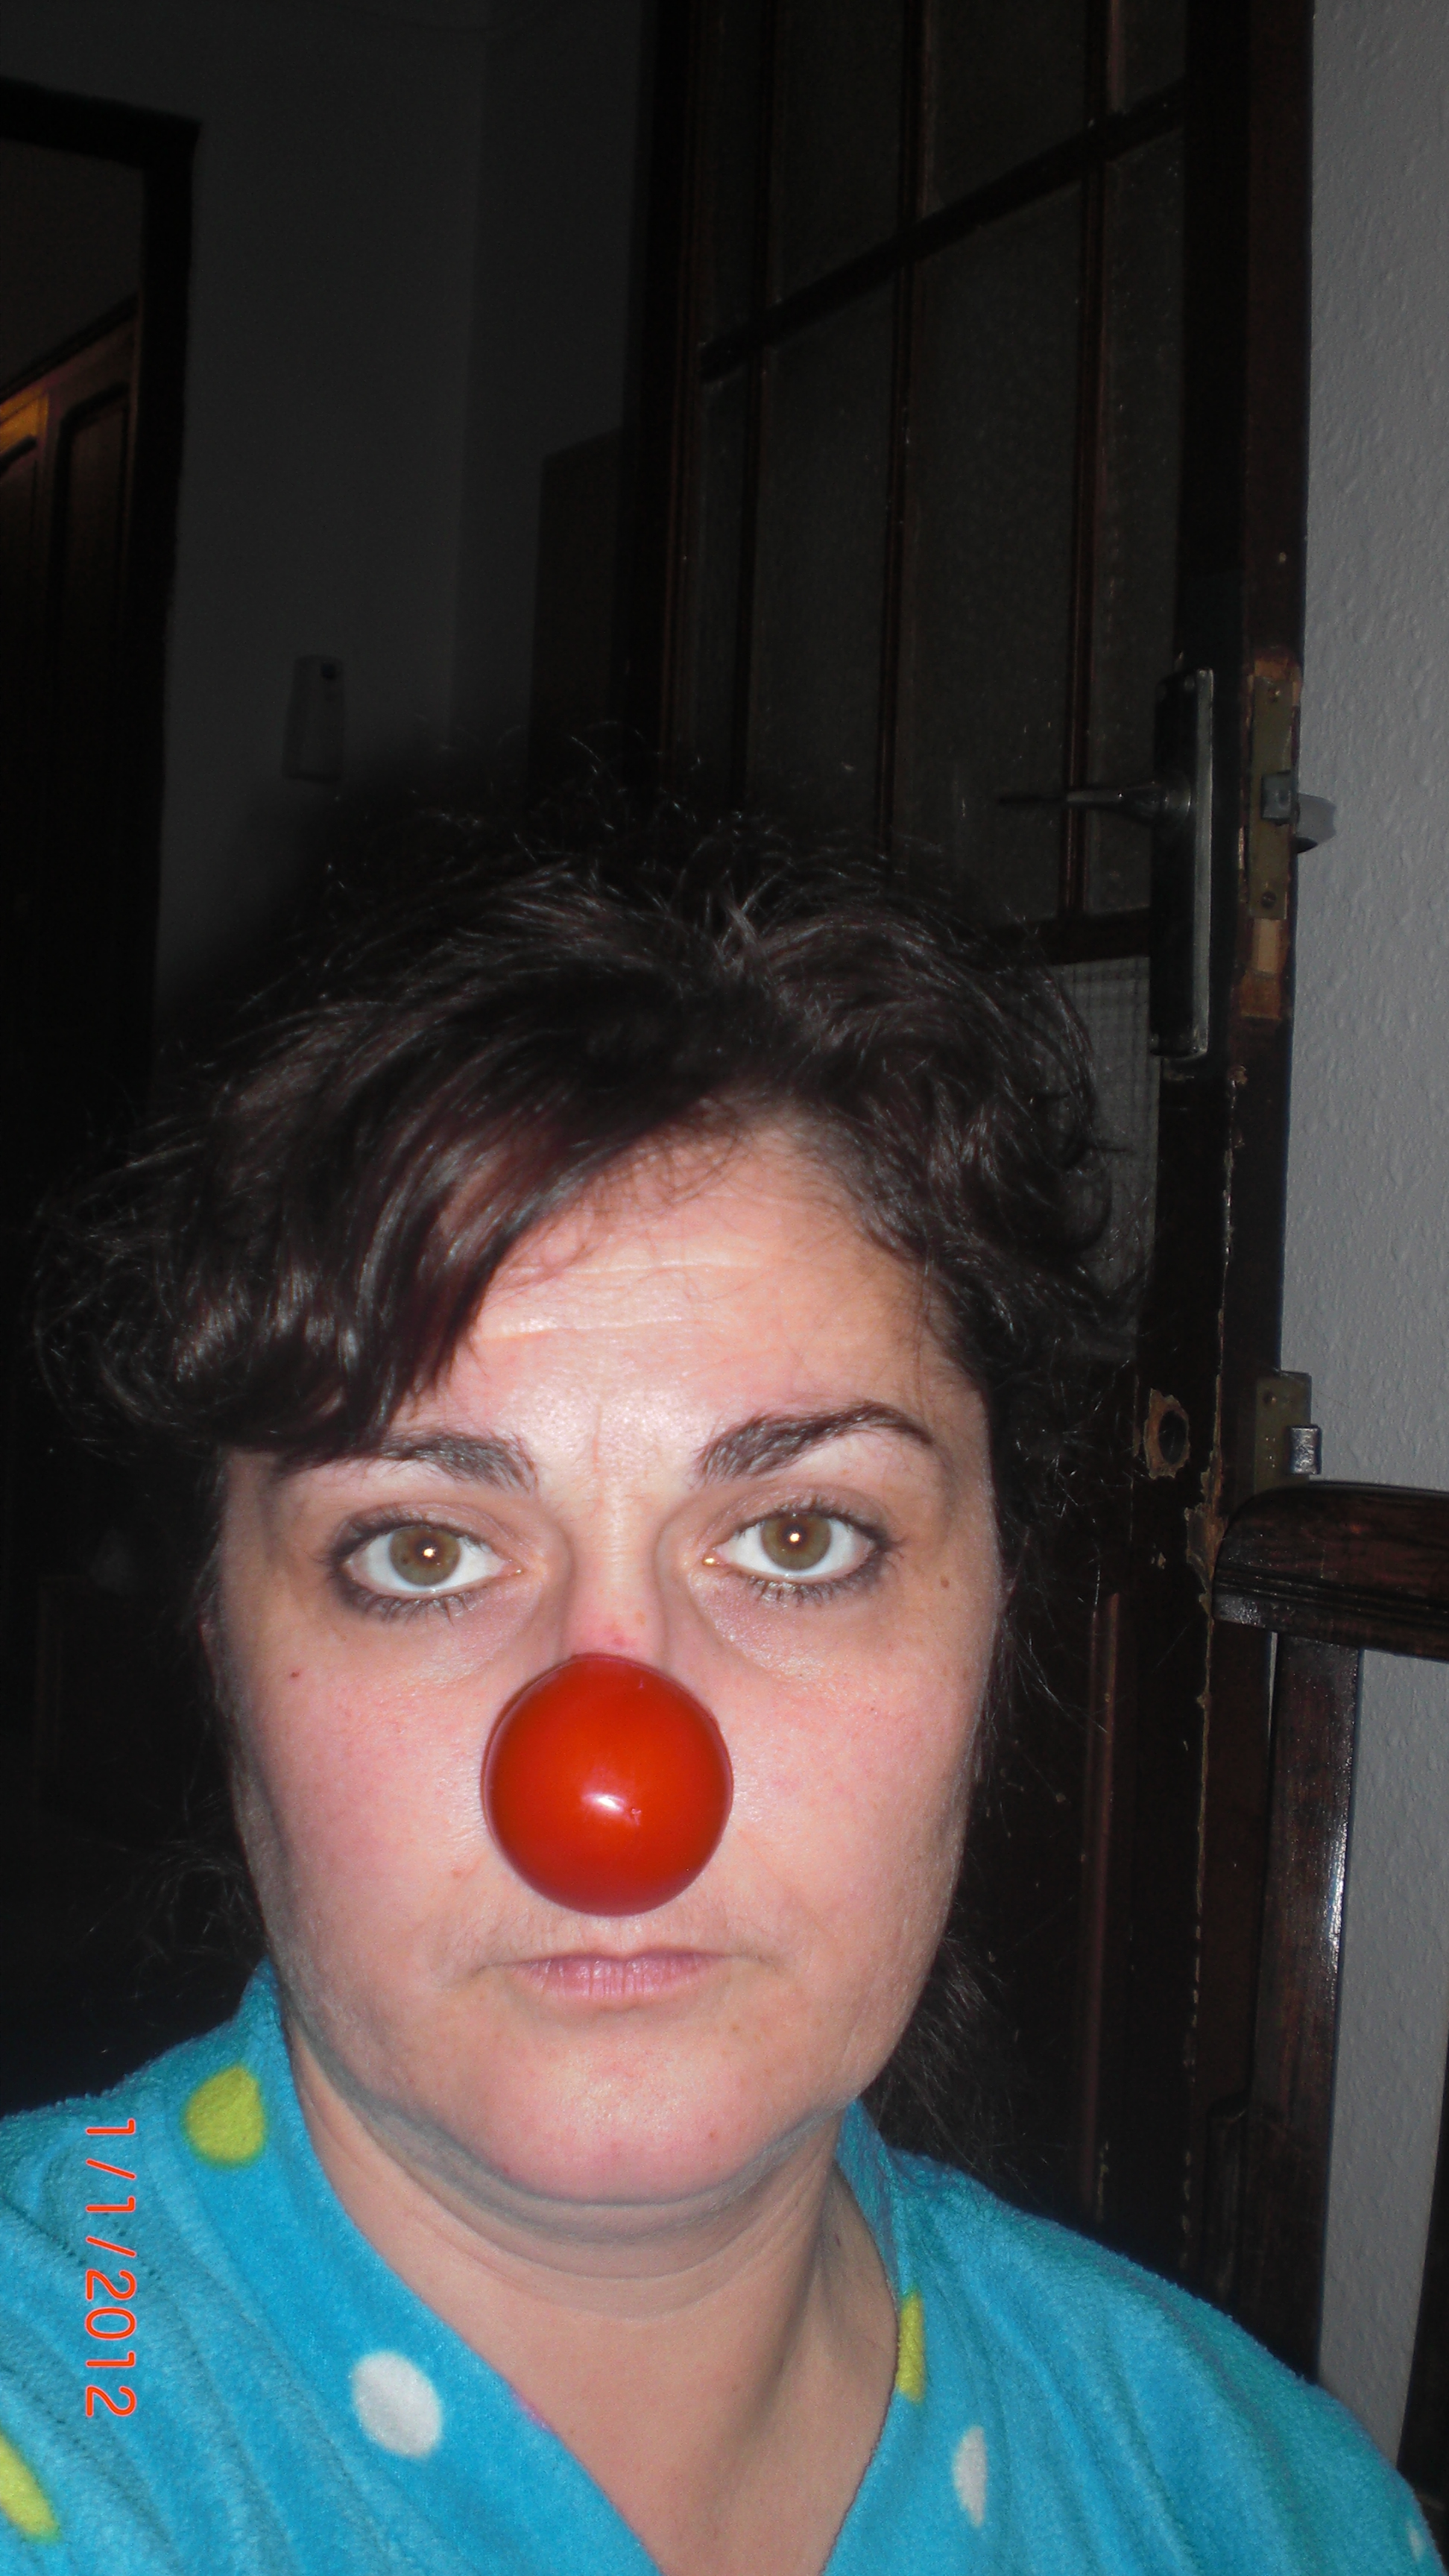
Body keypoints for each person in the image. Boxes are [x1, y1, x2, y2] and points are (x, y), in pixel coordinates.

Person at [0, 810, 1434, 2573]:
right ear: (220, 1650)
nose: (613, 1788)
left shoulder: (1259, 2507)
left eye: (800, 1538)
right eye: (423, 1552)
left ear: (997, 1620)